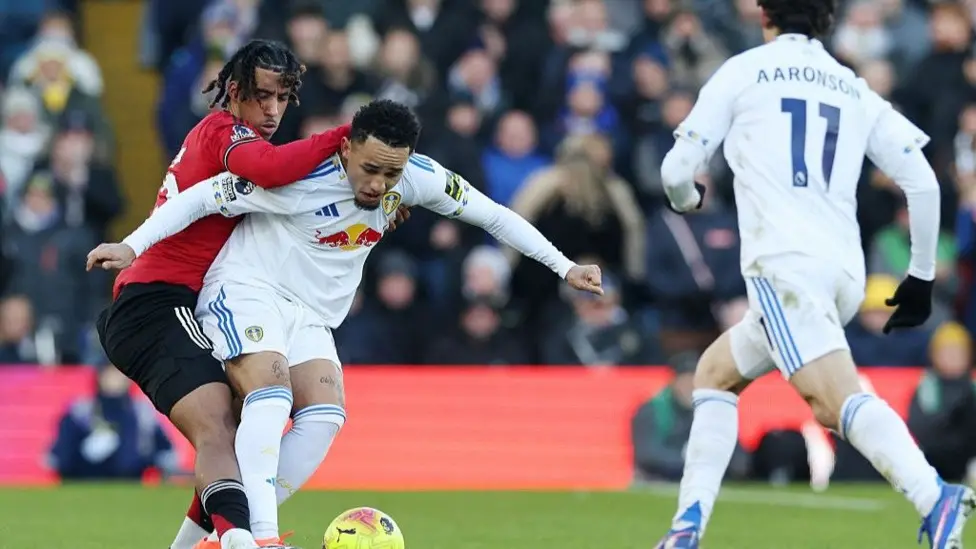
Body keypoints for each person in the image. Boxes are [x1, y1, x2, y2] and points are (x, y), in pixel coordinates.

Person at [88, 99, 604, 547]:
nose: (378, 185)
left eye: (391, 174)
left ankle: (206, 541)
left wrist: (566, 267)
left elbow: (492, 214)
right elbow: (204, 196)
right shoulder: (296, 178)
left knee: (326, 416)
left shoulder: (419, 178)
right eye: (370, 169)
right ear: (347, 147)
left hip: (313, 313)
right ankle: (261, 538)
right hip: (247, 289)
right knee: (270, 396)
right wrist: (131, 245)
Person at [653, 0, 973, 547]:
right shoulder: (852, 87)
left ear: (764, 15)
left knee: (832, 401)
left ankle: (933, 495)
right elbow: (923, 182)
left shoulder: (743, 70)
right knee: (715, 375)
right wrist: (920, 276)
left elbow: (677, 169)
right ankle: (686, 528)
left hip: (784, 268)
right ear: (828, 21)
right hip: (842, 271)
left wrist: (686, 199)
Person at [94, 39, 359, 549]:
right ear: (233, 91)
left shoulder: (233, 139)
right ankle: (242, 540)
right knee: (220, 425)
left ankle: (210, 541)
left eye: (283, 98)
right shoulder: (223, 132)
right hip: (154, 303)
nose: (273, 110)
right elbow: (272, 169)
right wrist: (350, 136)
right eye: (263, 96)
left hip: (170, 304)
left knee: (237, 429)